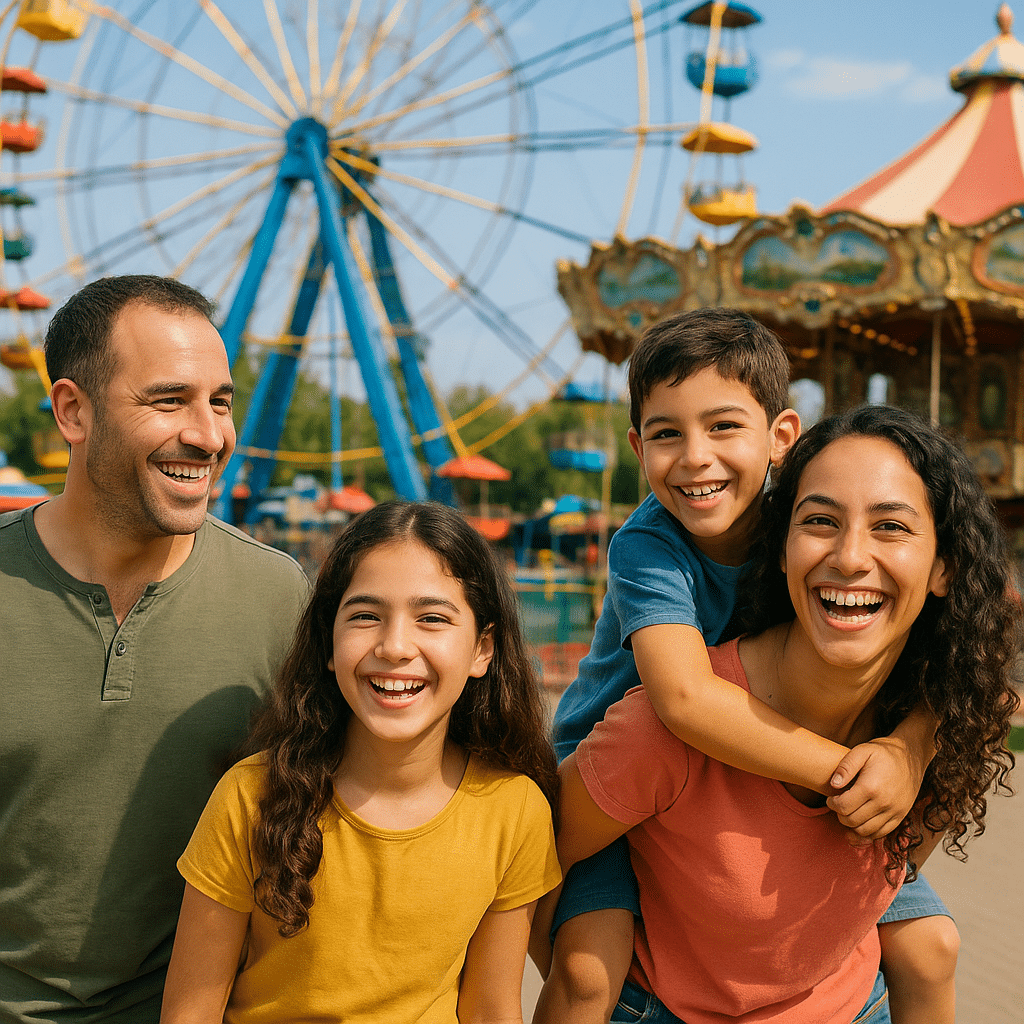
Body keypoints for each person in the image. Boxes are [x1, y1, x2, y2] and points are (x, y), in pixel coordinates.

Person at [533, 310, 955, 1024]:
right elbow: (686, 700)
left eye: (723, 427)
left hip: (749, 763)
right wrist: (844, 773)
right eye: (667, 434)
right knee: (584, 974)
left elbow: (946, 668)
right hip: (615, 774)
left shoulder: (801, 530)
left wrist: (908, 752)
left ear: (780, 437)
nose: (696, 457)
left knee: (930, 945)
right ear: (638, 448)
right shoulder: (650, 548)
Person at [0, 276, 309, 1024]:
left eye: (221, 400)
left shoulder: (279, 598)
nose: (209, 434)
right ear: (73, 410)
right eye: (169, 400)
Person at [160, 500, 562, 1024]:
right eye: (366, 616)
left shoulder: (514, 811)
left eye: (432, 618)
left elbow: (490, 1010)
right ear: (329, 641)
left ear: (482, 649)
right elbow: (190, 1012)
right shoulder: (252, 796)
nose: (395, 647)